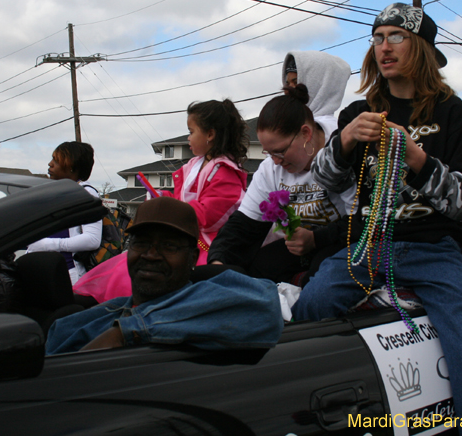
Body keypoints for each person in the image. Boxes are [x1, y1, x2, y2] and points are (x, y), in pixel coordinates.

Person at [294, 2, 462, 434]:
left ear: (422, 48)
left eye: (396, 37)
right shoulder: (358, 113)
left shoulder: (452, 112)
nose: (384, 48)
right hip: (371, 245)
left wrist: (416, 158)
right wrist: (344, 142)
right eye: (377, 38)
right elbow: (323, 182)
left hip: (435, 248)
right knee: (311, 307)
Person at [46, 196, 283, 355]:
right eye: (142, 243)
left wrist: (128, 331)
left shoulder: (216, 303)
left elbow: (265, 308)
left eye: (169, 246)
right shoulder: (80, 323)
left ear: (192, 258)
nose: (151, 254)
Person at [72, 99, 249, 304]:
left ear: (210, 134)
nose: (188, 137)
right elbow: (185, 202)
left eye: (191, 131)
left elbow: (209, 216)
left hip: (206, 246)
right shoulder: (196, 165)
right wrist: (164, 198)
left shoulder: (225, 171)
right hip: (186, 237)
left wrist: (170, 206)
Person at [207, 84, 355, 286]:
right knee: (255, 269)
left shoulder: (343, 150)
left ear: (306, 134)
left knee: (323, 277)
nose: (276, 161)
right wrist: (219, 261)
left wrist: (316, 238)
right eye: (268, 153)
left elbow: (365, 222)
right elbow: (242, 227)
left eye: (280, 151)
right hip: (300, 247)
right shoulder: (271, 169)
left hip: (344, 241)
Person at [27, 141, 101, 285]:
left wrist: (46, 244)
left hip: (66, 275)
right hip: (40, 270)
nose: (50, 164)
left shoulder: (86, 193)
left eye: (56, 160)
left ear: (72, 167)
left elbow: (92, 239)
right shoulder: (52, 192)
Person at [280, 51, 351, 122]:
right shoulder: (298, 123)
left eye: (296, 82)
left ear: (318, 85)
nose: (289, 89)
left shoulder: (323, 128)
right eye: (287, 83)